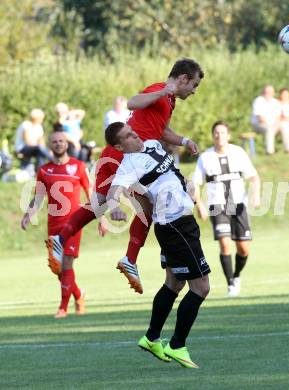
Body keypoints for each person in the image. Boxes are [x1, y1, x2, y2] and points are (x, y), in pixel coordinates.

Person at [46, 58, 204, 295]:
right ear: (183, 78)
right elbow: (132, 103)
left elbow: (161, 131)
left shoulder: (169, 100)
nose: (193, 91)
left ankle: (60, 237)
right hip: (130, 156)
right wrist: (162, 91)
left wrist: (184, 141)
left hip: (116, 152)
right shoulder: (159, 90)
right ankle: (130, 258)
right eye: (193, 85)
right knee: (148, 208)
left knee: (98, 203)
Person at [106, 122, 210, 369]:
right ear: (120, 146)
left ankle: (152, 337)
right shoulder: (129, 165)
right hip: (175, 224)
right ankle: (176, 345)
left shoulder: (152, 144)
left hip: (178, 220)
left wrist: (189, 187)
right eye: (128, 137)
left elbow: (171, 171)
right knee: (201, 287)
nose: (135, 136)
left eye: (133, 131)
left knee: (174, 283)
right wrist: (114, 209)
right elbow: (113, 192)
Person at [21, 131, 98, 318]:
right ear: (50, 145)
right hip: (53, 225)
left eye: (61, 141)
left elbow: (91, 194)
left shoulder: (78, 166)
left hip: (74, 223)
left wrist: (101, 219)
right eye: (54, 142)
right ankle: (79, 295)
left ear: (67, 144)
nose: (58, 144)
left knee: (66, 263)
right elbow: (38, 197)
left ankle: (63, 307)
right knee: (58, 269)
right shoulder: (44, 170)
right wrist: (28, 214)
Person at [193, 121, 261, 296]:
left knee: (244, 249)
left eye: (223, 133)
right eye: (216, 133)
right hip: (218, 206)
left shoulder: (238, 153)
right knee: (225, 244)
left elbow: (254, 177)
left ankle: (237, 275)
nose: (219, 136)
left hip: (238, 205)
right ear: (212, 136)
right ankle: (230, 283)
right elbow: (195, 184)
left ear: (228, 136)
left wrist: (255, 194)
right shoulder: (205, 157)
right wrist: (199, 204)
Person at [251, 85, 289, 155]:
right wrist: (271, 125)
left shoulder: (275, 102)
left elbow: (278, 117)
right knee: (270, 129)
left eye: (270, 92)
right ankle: (270, 152)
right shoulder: (258, 101)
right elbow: (261, 118)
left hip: (273, 125)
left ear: (273, 93)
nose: (268, 94)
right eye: (267, 92)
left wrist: (275, 124)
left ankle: (288, 149)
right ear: (263, 92)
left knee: (284, 126)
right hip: (259, 125)